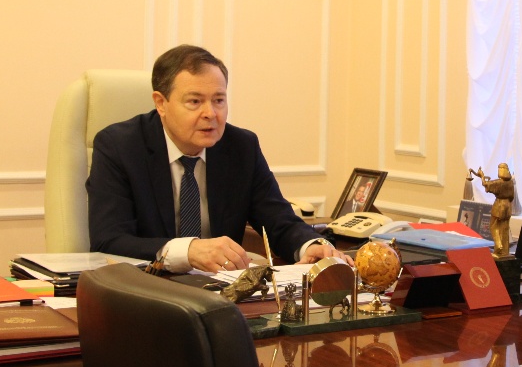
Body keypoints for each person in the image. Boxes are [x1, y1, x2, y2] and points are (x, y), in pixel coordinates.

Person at [87, 44, 347, 273]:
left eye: (219, 100)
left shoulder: (241, 147)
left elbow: (279, 221)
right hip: (146, 290)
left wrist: (310, 245)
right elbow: (109, 240)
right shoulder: (119, 147)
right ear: (161, 103)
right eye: (195, 101)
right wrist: (188, 251)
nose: (210, 113)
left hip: (220, 291)